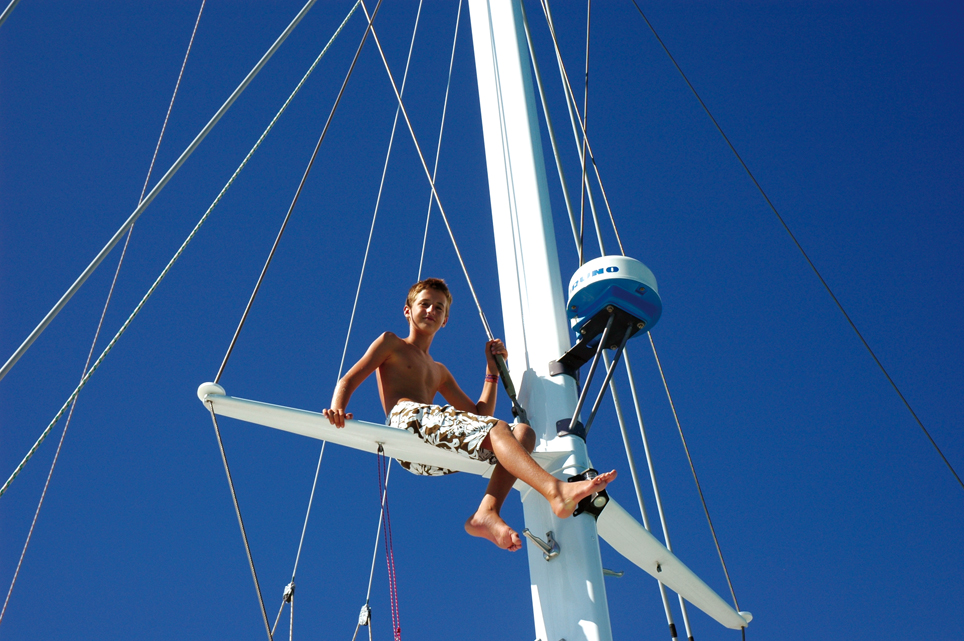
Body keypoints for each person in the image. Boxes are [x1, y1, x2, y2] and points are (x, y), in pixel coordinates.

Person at [323, 278, 615, 551]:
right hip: (407, 424)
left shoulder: (439, 371)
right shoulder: (392, 343)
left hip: (432, 451)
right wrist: (338, 406)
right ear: (407, 310)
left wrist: (492, 372)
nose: (431, 310)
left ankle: (486, 512)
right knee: (497, 428)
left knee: (523, 434)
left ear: (445, 320)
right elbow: (348, 379)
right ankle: (554, 491)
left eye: (439, 308)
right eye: (424, 304)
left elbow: (478, 414)